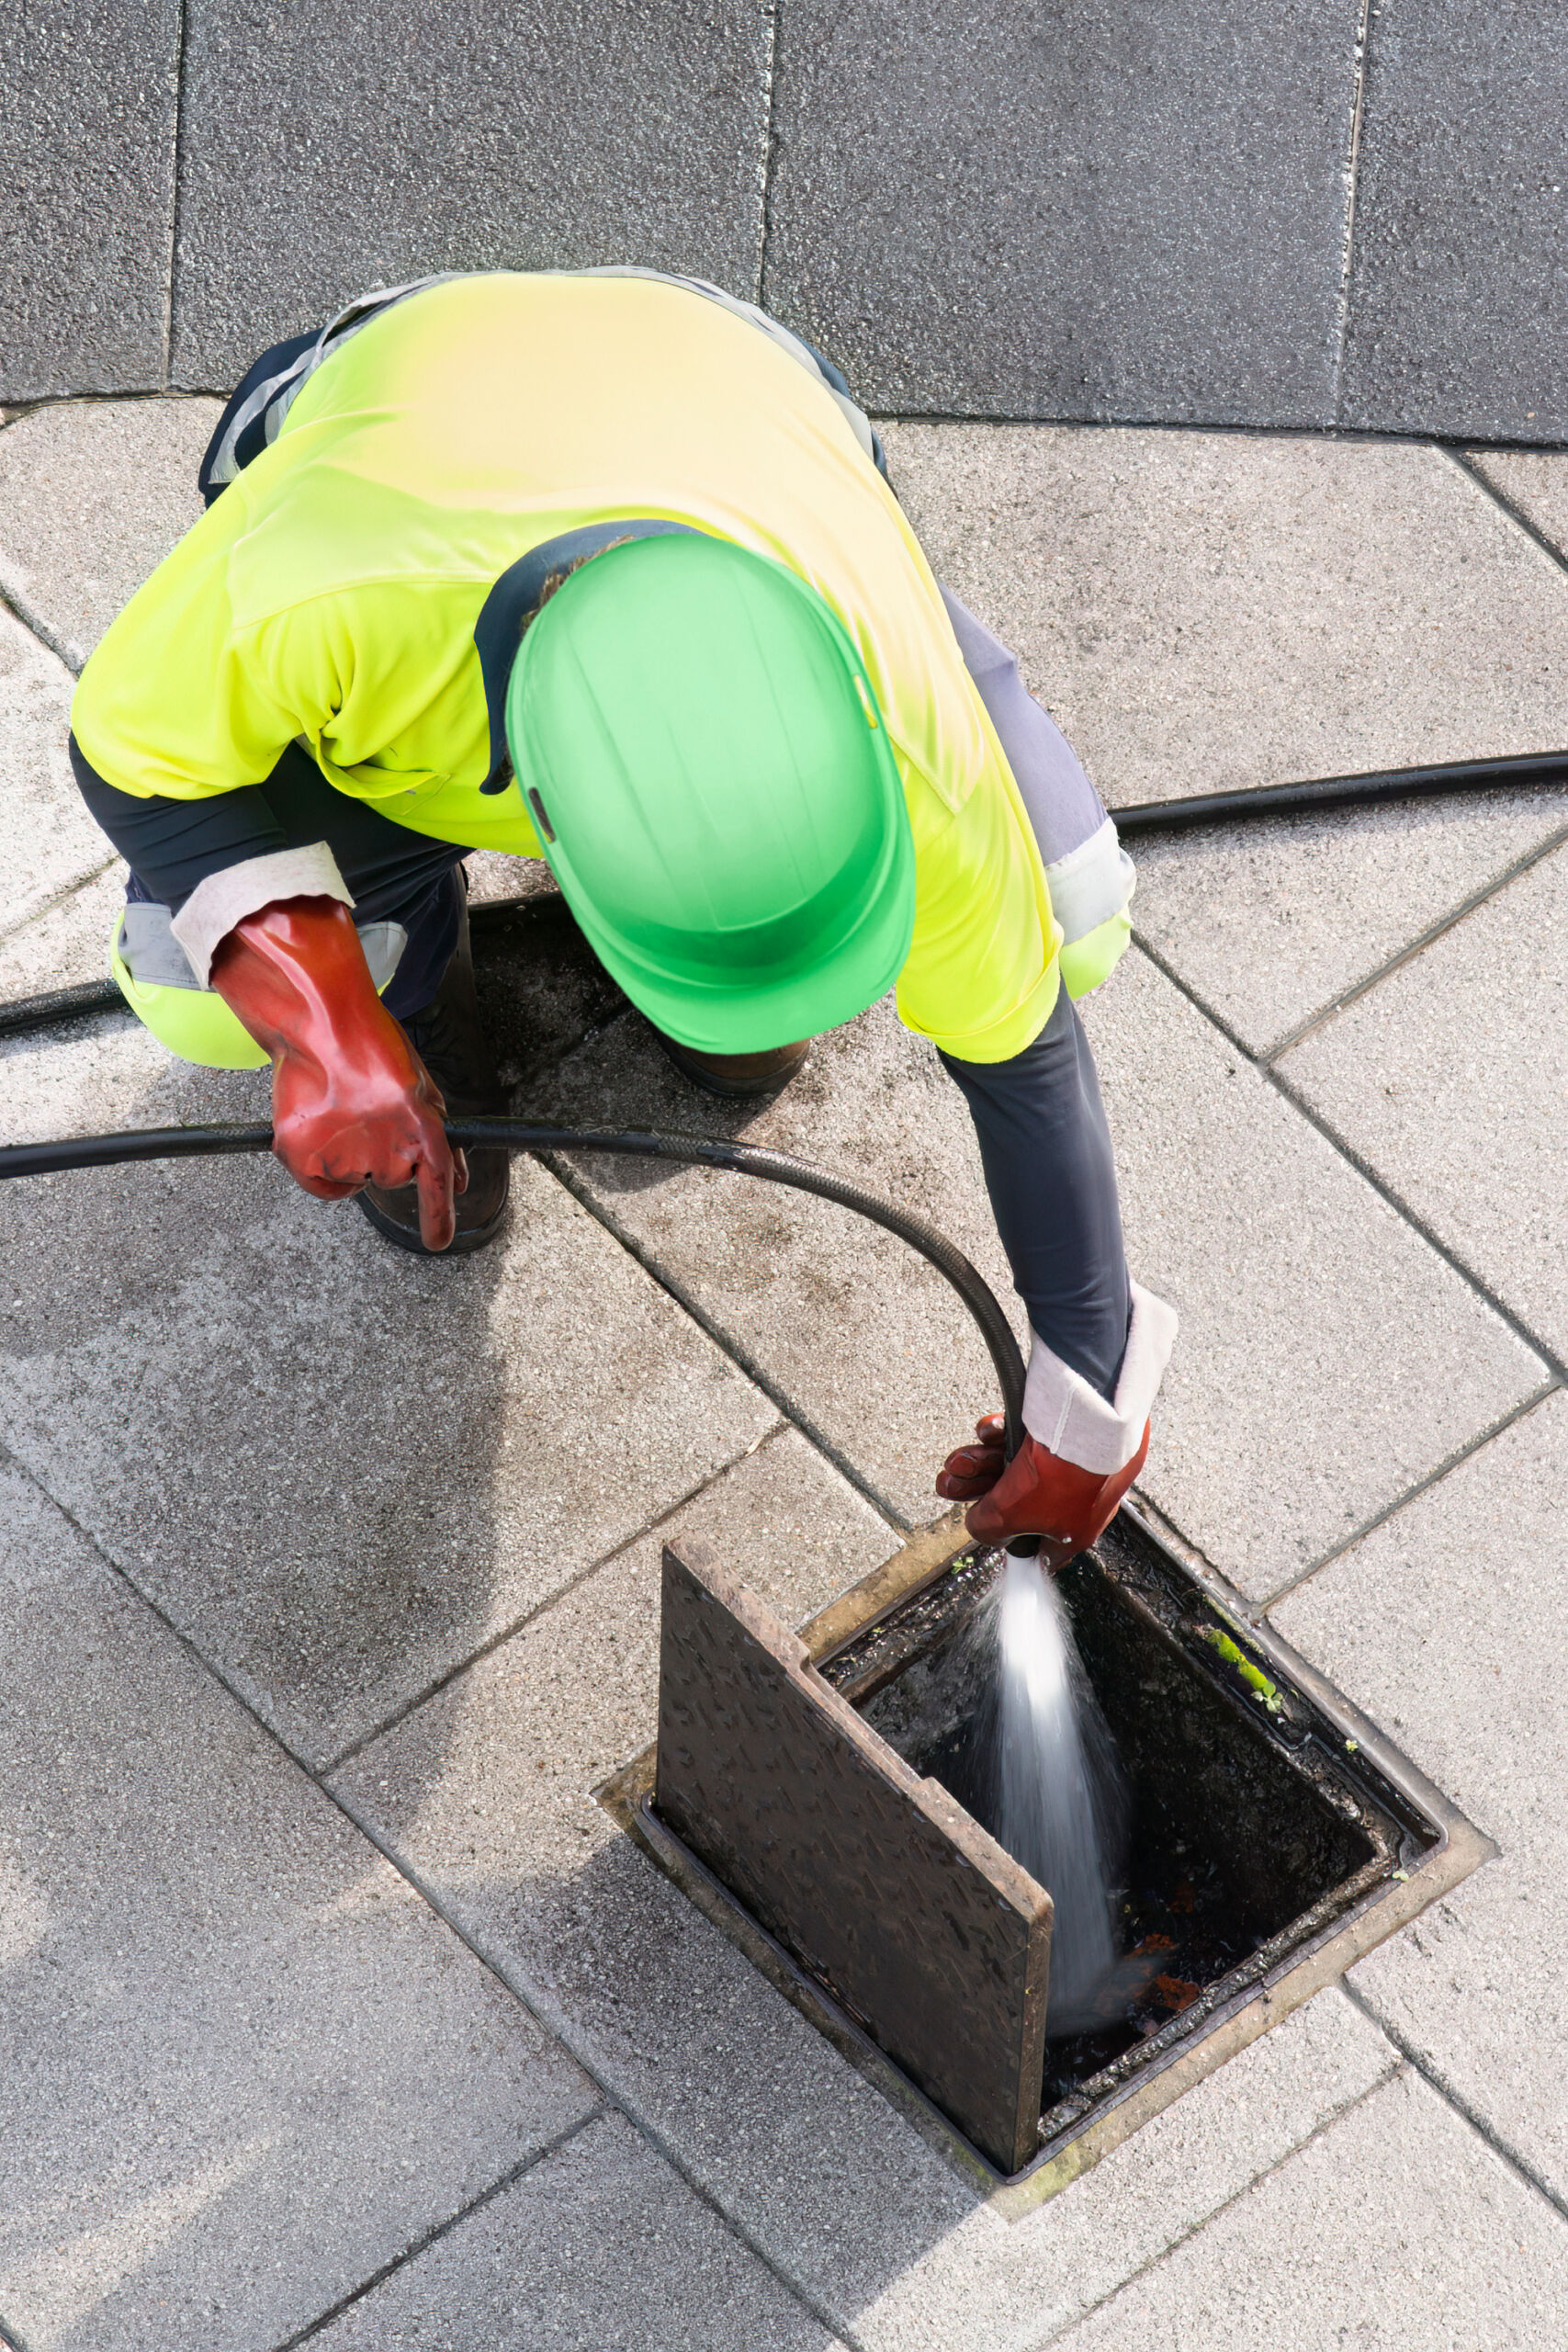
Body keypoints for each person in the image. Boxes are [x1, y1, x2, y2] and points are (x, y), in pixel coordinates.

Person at [68, 267, 1176, 1555]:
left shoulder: (908, 732)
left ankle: (642, 993)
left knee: (1073, 907)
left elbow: (1029, 1063)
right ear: (541, 819)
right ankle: (418, 992)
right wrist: (325, 1020)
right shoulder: (327, 597)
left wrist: (1087, 1406)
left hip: (745, 396)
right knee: (182, 984)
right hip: (408, 401)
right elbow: (129, 754)